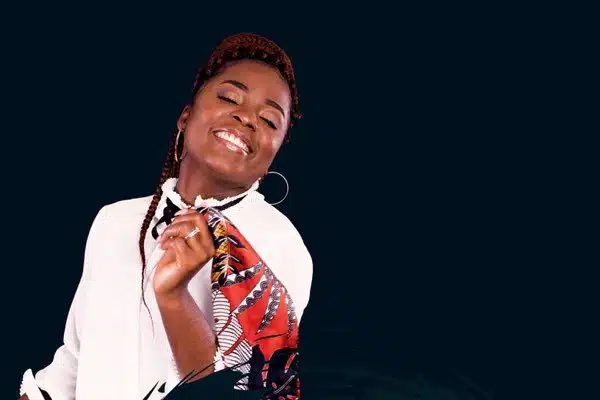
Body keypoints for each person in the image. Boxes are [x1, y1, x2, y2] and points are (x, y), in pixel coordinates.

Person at [18, 33, 313, 400]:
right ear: (185, 118)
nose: (247, 118)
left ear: (272, 157)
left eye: (269, 120)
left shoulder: (278, 245)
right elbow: (74, 365)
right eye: (228, 98)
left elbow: (247, 392)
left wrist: (174, 297)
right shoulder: (115, 222)